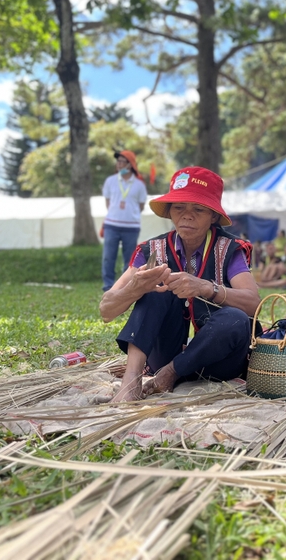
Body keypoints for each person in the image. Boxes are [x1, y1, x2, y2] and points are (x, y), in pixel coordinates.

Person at [100, 167, 261, 402]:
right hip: (162, 355)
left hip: (216, 362)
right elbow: (106, 310)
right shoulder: (152, 250)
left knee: (235, 318)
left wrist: (207, 287)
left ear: (213, 217)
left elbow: (253, 304)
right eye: (179, 208)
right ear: (170, 212)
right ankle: (131, 378)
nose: (187, 216)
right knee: (154, 290)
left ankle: (171, 373)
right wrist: (135, 288)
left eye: (198, 209)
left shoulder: (229, 249)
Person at [101, 150, 148, 291]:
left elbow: (140, 205)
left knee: (130, 259)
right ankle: (108, 285)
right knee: (108, 257)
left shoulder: (139, 184)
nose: (119, 165)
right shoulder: (110, 181)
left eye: (122, 161)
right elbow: (108, 202)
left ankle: (125, 286)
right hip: (111, 225)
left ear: (130, 164)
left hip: (131, 226)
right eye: (118, 161)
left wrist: (129, 215)